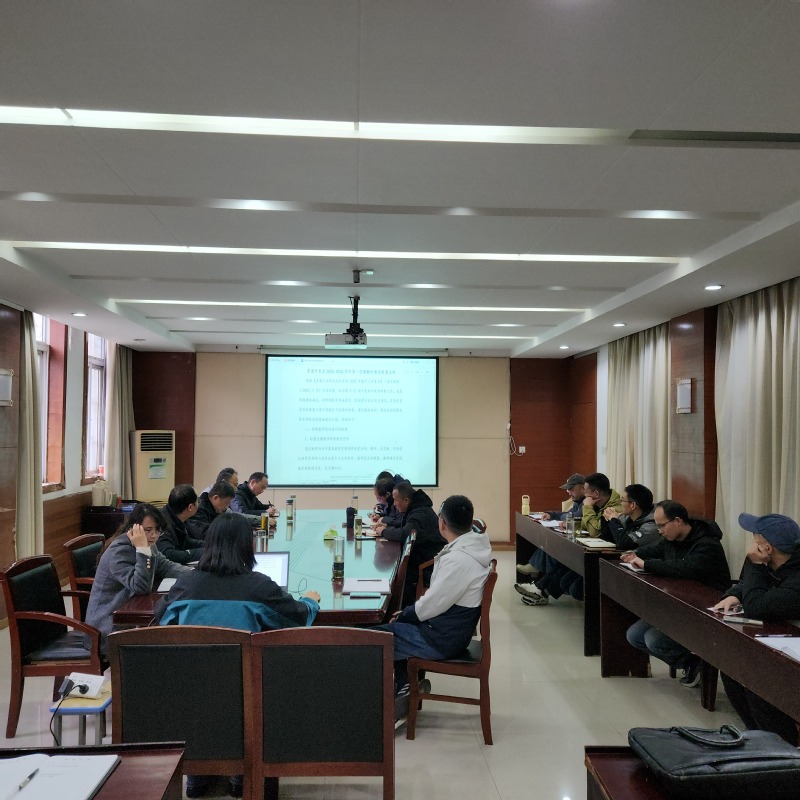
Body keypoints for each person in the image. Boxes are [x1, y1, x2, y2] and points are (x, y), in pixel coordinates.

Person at [155, 513, 321, 798]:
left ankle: (198, 774)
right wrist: (311, 601)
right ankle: (242, 774)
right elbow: (295, 619)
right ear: (247, 546)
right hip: (248, 689)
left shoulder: (185, 585)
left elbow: (161, 621)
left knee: (204, 687)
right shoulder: (259, 587)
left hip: (191, 689)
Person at [376, 494, 492, 720]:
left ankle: (389, 698)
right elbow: (435, 601)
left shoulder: (459, 560)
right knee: (390, 627)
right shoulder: (472, 547)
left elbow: (432, 604)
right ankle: (406, 687)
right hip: (449, 631)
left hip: (441, 639)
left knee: (371, 640)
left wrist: (406, 615)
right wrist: (407, 614)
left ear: (442, 523)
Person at [712, 512, 800, 744]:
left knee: (759, 682)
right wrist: (734, 594)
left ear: (766, 548)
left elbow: (757, 607)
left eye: (755, 538)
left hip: (793, 654)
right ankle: (759, 735)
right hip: (780, 642)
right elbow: (749, 586)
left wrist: (756, 564)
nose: (751, 545)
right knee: (732, 667)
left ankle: (780, 745)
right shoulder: (780, 562)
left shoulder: (795, 579)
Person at [623, 499, 731, 687]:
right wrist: (635, 553)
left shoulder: (707, 544)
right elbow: (652, 550)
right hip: (677, 603)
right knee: (635, 635)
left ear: (678, 521)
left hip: (704, 609)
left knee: (653, 639)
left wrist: (646, 564)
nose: (660, 531)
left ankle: (698, 664)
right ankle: (691, 663)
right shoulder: (670, 540)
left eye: (662, 526)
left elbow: (684, 569)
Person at [85, 503, 191, 648]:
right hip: (107, 627)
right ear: (133, 528)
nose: (154, 535)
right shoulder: (119, 552)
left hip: (127, 615)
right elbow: (141, 587)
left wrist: (196, 574)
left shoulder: (147, 544)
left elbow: (166, 566)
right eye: (148, 530)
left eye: (157, 530)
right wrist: (142, 550)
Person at [371, 480, 446, 605]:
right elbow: (404, 527)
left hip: (429, 564)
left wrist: (384, 531)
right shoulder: (416, 508)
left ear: (406, 500)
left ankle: (397, 608)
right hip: (424, 555)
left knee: (397, 572)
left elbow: (403, 535)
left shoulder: (419, 513)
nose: (394, 504)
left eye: (396, 500)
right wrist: (388, 527)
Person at [515, 473, 585, 581]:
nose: (568, 492)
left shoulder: (588, 502)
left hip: (582, 542)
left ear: (583, 487)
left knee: (554, 545)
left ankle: (538, 573)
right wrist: (551, 514)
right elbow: (568, 514)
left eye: (571, 489)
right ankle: (537, 572)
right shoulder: (578, 500)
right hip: (574, 536)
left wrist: (566, 517)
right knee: (550, 542)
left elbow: (574, 516)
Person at [156, 484, 204, 564]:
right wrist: (203, 553)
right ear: (190, 507)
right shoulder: (162, 523)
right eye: (198, 501)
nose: (199, 504)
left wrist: (208, 545)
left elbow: (185, 542)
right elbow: (168, 554)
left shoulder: (177, 517)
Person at [600, 483, 659, 549]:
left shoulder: (652, 525)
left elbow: (625, 543)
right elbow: (608, 538)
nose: (620, 503)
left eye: (622, 500)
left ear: (633, 505)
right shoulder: (628, 517)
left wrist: (614, 520)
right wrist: (607, 517)